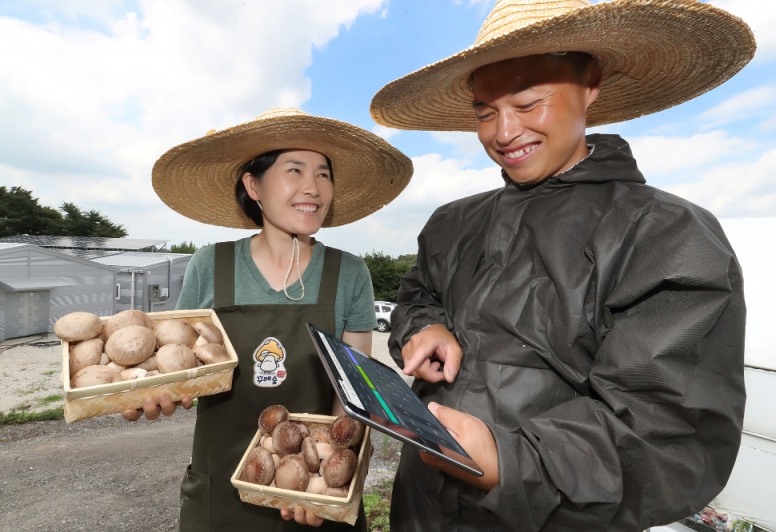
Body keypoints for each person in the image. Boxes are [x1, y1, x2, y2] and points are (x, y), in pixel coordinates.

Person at [369, 1, 754, 530]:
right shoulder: (452, 223)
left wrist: (509, 460)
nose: (504, 133)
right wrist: (423, 327)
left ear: (590, 83)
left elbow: (670, 429)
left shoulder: (665, 233)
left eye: (528, 103)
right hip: (421, 507)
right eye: (485, 112)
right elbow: (417, 296)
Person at [131, 107, 412, 531]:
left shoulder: (349, 273)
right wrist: (153, 394)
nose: (312, 188)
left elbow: (353, 392)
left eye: (323, 174)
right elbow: (178, 365)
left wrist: (332, 478)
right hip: (222, 491)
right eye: (294, 170)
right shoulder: (212, 265)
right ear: (253, 185)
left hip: (311, 490)